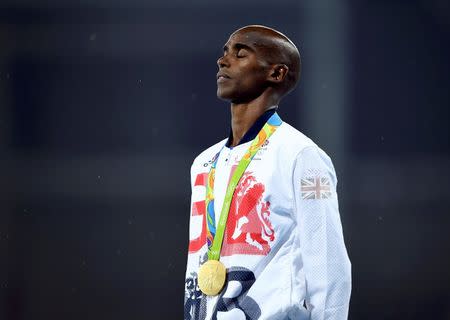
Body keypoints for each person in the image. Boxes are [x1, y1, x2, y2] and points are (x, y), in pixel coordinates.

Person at [184, 25, 351, 320]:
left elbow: (327, 265)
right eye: (225, 52)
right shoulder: (204, 163)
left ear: (276, 74)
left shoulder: (300, 155)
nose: (223, 61)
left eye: (241, 54)